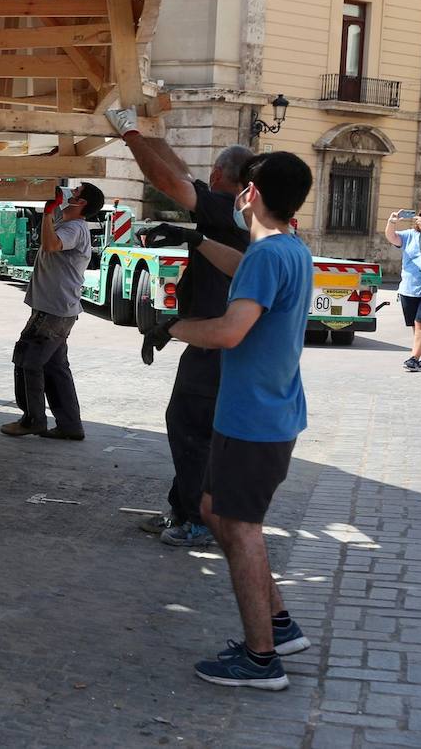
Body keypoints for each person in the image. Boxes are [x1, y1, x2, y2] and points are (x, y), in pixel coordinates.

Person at [140, 151, 315, 691]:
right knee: (216, 510)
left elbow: (232, 330)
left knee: (241, 530)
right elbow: (244, 270)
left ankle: (262, 659)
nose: (238, 195)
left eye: (244, 187)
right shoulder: (286, 249)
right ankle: (280, 626)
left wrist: (173, 326)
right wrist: (195, 241)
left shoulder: (269, 255)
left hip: (254, 420)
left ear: (253, 193)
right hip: (266, 412)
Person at [107, 106, 255, 548]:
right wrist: (150, 132)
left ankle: (196, 519)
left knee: (191, 428)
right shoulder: (232, 208)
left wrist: (131, 134)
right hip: (213, 339)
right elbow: (183, 173)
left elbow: (172, 183)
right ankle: (182, 509)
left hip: (215, 343)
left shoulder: (227, 208)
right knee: (191, 425)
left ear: (220, 175)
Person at [0, 184, 105, 440]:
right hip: (59, 310)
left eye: (75, 192)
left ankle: (32, 419)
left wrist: (48, 212)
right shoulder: (64, 219)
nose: (68, 193)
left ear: (80, 204)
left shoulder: (74, 229)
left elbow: (51, 245)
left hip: (53, 312)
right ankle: (70, 425)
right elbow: (53, 196)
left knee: (28, 360)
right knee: (56, 367)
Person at [385, 203, 421, 371]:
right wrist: (392, 222)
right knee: (419, 326)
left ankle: (414, 358)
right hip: (410, 287)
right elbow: (392, 238)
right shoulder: (411, 235)